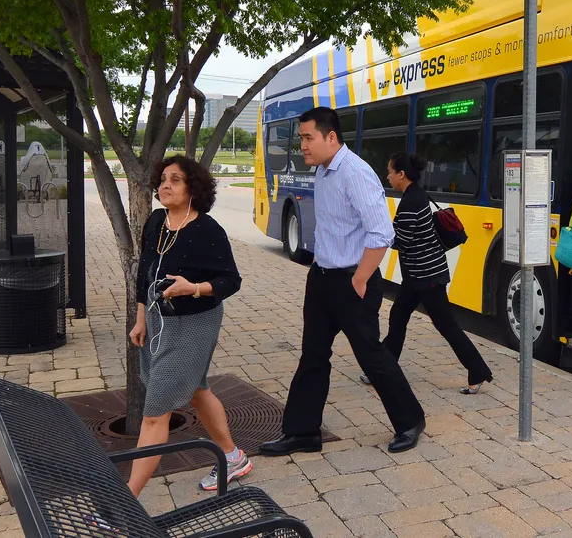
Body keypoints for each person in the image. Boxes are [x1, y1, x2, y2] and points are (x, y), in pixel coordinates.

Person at [260, 107, 426, 456]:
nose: (302, 146)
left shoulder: (355, 173)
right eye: (301, 138)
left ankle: (410, 421)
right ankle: (303, 432)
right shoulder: (323, 171)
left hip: (353, 282)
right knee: (313, 356)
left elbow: (382, 233)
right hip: (322, 280)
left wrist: (361, 278)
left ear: (330, 137)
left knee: (372, 357)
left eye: (308, 138)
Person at [128, 155, 248, 496]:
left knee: (155, 413)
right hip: (158, 318)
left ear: (193, 187)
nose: (165, 185)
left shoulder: (208, 230)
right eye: (163, 178)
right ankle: (232, 456)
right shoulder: (156, 222)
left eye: (175, 180)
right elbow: (144, 274)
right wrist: (141, 319)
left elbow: (230, 280)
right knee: (196, 390)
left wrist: (193, 288)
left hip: (196, 322)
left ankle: (125, 501)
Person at [357, 152, 493, 394]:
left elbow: (402, 241)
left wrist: (378, 228)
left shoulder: (411, 202)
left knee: (445, 324)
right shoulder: (415, 195)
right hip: (418, 275)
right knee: (398, 317)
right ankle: (384, 369)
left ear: (401, 174)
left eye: (390, 171)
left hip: (426, 276)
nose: (387, 176)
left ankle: (478, 370)